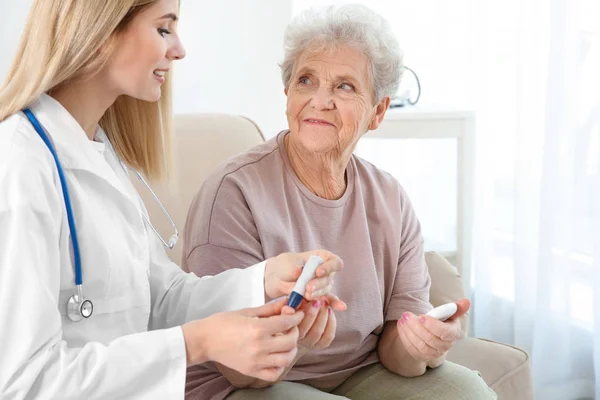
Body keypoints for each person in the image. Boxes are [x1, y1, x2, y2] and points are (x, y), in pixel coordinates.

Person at [0, 1, 344, 398]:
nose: (178, 49)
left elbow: (158, 297)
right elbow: (23, 383)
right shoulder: (20, 162)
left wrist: (264, 281)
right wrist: (196, 343)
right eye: (164, 29)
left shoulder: (97, 149)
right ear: (98, 32)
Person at [182, 4, 497, 400]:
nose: (320, 100)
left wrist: (420, 346)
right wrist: (298, 338)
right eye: (306, 81)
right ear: (287, 95)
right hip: (247, 384)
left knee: (467, 392)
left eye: (345, 86)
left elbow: (398, 355)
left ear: (378, 111)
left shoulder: (390, 199)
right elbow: (241, 371)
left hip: (359, 373)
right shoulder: (233, 193)